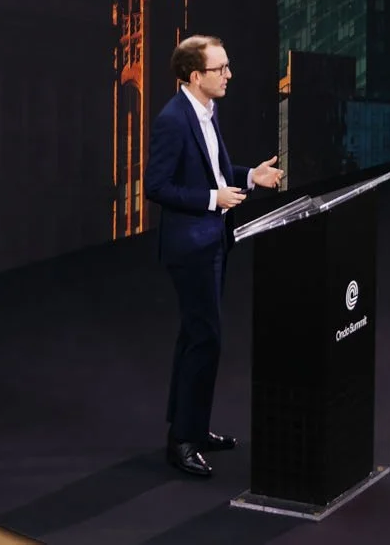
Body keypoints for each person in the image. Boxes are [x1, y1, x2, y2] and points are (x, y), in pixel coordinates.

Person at [145, 34, 282, 478]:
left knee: (196, 337)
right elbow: (157, 187)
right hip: (190, 246)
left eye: (228, 66)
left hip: (214, 240)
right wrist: (212, 199)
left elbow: (216, 169)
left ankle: (192, 429)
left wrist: (249, 175)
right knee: (206, 339)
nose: (229, 75)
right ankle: (183, 442)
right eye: (220, 69)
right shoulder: (172, 120)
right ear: (195, 75)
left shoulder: (208, 110)